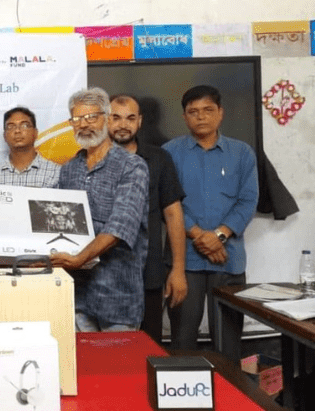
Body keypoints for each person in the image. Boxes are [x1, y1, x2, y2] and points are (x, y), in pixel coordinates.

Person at [162, 85, 258, 362]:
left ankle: (231, 400)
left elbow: (248, 201)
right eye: (193, 112)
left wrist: (219, 235)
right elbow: (169, 204)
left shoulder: (242, 154)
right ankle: (182, 400)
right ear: (184, 117)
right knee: (181, 340)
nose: (201, 117)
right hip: (184, 263)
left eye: (208, 110)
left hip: (228, 261)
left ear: (220, 113)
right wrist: (200, 236)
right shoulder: (169, 153)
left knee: (228, 344)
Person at [50, 87, 149, 332]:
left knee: (117, 368)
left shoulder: (132, 166)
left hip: (118, 296)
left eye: (91, 117)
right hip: (77, 296)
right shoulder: (69, 169)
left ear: (107, 118)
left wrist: (79, 259)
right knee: (81, 367)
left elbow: (120, 226)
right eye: (77, 119)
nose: (84, 125)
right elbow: (55, 221)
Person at [109, 94, 187, 344]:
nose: (123, 124)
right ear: (104, 120)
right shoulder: (89, 160)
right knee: (107, 351)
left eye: (130, 118)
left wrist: (178, 270)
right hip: (103, 274)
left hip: (148, 274)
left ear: (140, 122)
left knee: (149, 347)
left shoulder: (159, 158)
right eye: (116, 118)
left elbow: (173, 214)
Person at [0, 107, 61, 188]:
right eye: (11, 126)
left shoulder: (55, 172)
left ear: (35, 133)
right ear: (5, 136)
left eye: (25, 125)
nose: (17, 130)